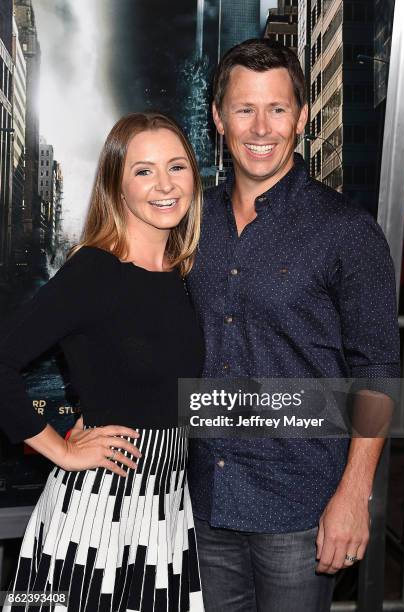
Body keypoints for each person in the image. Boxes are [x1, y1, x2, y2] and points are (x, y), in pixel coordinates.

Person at [186, 39, 400, 612]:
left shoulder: (348, 233)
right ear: (217, 117)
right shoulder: (189, 222)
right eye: (244, 108)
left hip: (301, 510)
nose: (261, 127)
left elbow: (378, 370)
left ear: (302, 118)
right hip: (202, 502)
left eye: (277, 109)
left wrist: (356, 493)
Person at [0, 112, 205, 612]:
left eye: (177, 167)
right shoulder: (94, 270)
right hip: (93, 513)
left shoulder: (185, 273)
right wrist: (62, 451)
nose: (164, 184)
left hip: (166, 511)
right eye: (144, 170)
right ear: (117, 184)